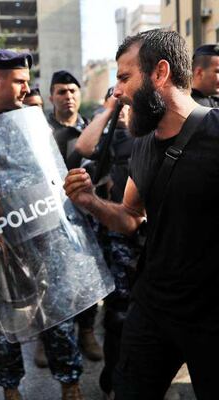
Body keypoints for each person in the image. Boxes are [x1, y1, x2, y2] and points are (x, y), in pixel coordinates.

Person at [64, 28, 219, 400]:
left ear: (160, 73)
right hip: (153, 308)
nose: (117, 92)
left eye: (123, 77)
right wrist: (91, 203)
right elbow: (132, 216)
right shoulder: (144, 146)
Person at [0, 49, 85, 400]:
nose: (27, 89)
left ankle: (70, 383)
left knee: (58, 318)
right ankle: (10, 389)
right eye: (20, 81)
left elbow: (47, 177)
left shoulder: (30, 120)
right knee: (3, 325)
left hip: (40, 236)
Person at [75, 89, 141, 399]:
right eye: (123, 105)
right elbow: (84, 146)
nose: (127, 111)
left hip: (153, 235)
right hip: (120, 235)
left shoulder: (152, 134)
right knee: (119, 314)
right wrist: (109, 110)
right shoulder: (113, 138)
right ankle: (113, 381)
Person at [48, 70, 103, 362]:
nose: (68, 97)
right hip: (50, 216)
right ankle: (50, 337)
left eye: (72, 91)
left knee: (88, 276)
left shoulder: (92, 129)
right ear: (51, 97)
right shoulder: (41, 130)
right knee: (51, 279)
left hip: (87, 214)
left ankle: (87, 331)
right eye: (61, 92)